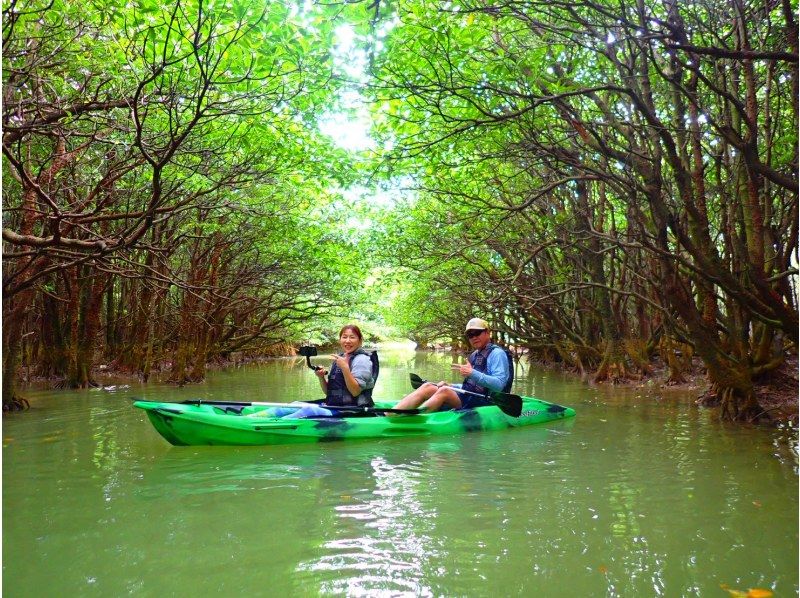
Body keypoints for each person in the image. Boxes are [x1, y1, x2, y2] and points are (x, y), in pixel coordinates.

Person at [393, 318, 511, 412]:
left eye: (477, 333)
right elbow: (471, 386)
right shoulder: (475, 355)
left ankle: (413, 420)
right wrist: (452, 385)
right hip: (472, 396)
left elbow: (499, 385)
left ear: (487, 333)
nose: (474, 337)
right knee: (428, 386)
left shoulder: (497, 354)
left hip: (488, 401)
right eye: (470, 335)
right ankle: (389, 414)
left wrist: (472, 373)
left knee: (445, 391)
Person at [265, 324, 376, 419]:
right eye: (344, 337)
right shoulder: (340, 358)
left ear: (360, 341)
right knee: (294, 405)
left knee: (309, 411)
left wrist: (345, 368)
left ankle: (268, 425)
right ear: (340, 339)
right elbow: (330, 393)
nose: (347, 341)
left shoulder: (362, 360)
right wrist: (321, 377)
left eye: (352, 337)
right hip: (335, 406)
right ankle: (250, 419)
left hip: (353, 410)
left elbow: (355, 392)